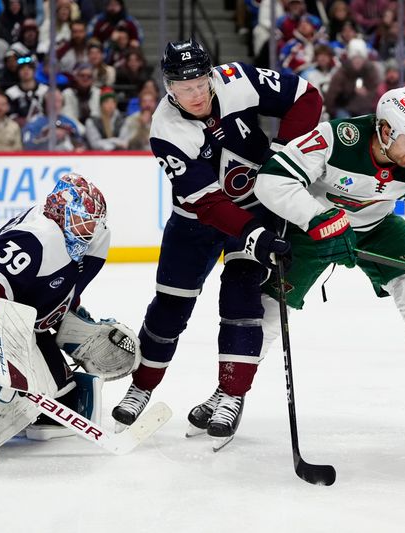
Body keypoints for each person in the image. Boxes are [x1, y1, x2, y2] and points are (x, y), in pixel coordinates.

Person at [110, 38, 322, 447]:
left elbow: (305, 97)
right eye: (181, 86)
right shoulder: (166, 129)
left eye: (198, 83)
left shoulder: (237, 79)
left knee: (242, 299)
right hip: (196, 221)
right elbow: (208, 203)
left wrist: (282, 160)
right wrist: (255, 235)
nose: (193, 94)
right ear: (168, 86)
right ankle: (142, 386)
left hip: (258, 208)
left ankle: (231, 394)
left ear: (211, 75)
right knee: (169, 307)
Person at [244, 86, 405, 437]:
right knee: (268, 308)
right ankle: (230, 395)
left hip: (378, 228)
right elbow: (272, 180)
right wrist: (317, 218)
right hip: (317, 229)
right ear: (384, 131)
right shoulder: (336, 139)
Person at [0, 173, 121, 469]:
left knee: (61, 391)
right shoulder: (36, 238)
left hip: (13, 317)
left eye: (94, 220)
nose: (91, 228)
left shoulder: (87, 242)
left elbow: (53, 290)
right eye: (83, 219)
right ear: (60, 213)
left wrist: (74, 318)